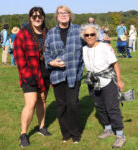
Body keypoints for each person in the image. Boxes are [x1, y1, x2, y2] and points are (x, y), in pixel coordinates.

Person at [80, 23, 126, 148]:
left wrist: (120, 81)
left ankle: (120, 135)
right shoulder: (84, 49)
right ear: (83, 37)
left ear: (96, 35)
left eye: (92, 34)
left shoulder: (105, 47)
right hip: (93, 82)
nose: (89, 37)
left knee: (112, 108)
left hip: (108, 81)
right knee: (99, 106)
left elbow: (115, 65)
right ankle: (108, 129)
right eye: (87, 35)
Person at [45, 5, 84, 143]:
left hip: (74, 73)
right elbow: (47, 54)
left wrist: (105, 45)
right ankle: (66, 134)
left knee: (72, 104)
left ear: (70, 15)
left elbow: (90, 43)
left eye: (66, 13)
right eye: (60, 13)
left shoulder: (78, 30)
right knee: (61, 105)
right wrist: (51, 63)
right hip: (57, 75)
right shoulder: (51, 34)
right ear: (56, 16)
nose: (63, 15)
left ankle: (76, 134)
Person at [13, 7, 51, 148]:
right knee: (31, 102)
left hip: (45, 72)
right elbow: (19, 57)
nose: (37, 18)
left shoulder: (47, 32)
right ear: (30, 18)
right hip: (29, 73)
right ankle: (23, 133)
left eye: (39, 16)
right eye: (34, 16)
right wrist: (27, 76)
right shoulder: (23, 34)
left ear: (43, 17)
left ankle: (41, 127)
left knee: (42, 99)